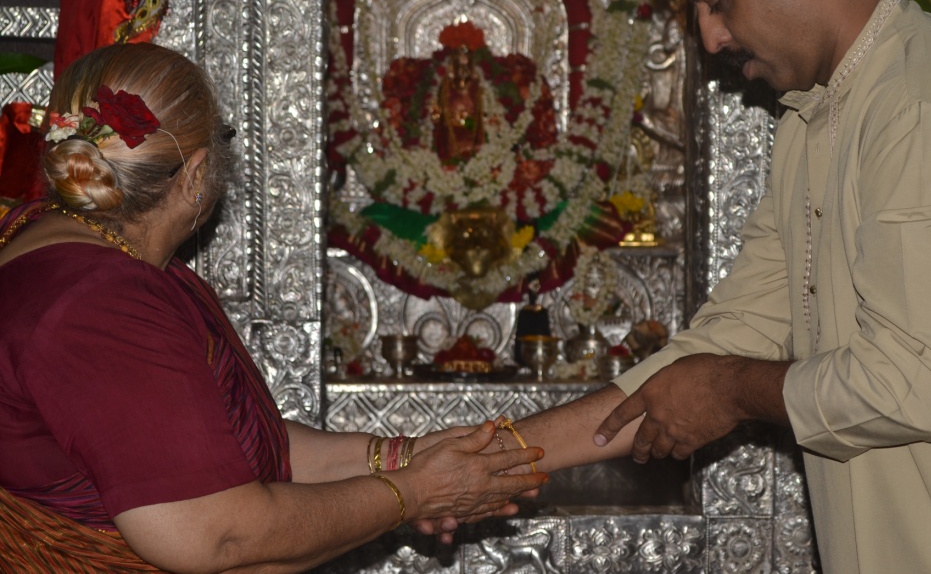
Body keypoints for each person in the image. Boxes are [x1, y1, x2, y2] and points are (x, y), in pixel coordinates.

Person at [496, 0, 931, 574]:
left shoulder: (923, 107)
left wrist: (730, 391)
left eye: (718, 1)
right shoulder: (817, 120)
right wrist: (497, 459)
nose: (710, 37)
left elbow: (910, 386)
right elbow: (727, 340)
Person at [0, 42, 547, 573]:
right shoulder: (101, 300)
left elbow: (227, 448)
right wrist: (417, 493)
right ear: (195, 174)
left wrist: (401, 457)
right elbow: (216, 533)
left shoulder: (55, 249)